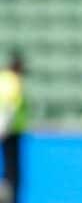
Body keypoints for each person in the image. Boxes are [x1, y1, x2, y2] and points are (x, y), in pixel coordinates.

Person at [0, 53, 26, 203]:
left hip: (6, 130)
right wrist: (3, 127)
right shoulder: (13, 81)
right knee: (12, 171)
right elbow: (8, 107)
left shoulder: (2, 78)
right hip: (10, 131)